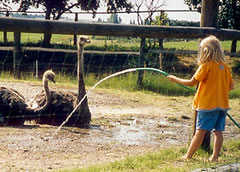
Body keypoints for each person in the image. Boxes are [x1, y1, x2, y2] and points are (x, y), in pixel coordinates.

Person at [167, 35, 234, 162]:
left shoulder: (206, 66)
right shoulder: (225, 66)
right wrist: (218, 91)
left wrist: (174, 79)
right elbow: (230, 86)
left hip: (207, 105)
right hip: (222, 105)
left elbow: (192, 82)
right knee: (218, 132)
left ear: (206, 50)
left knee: (200, 131)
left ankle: (188, 155)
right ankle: (214, 157)